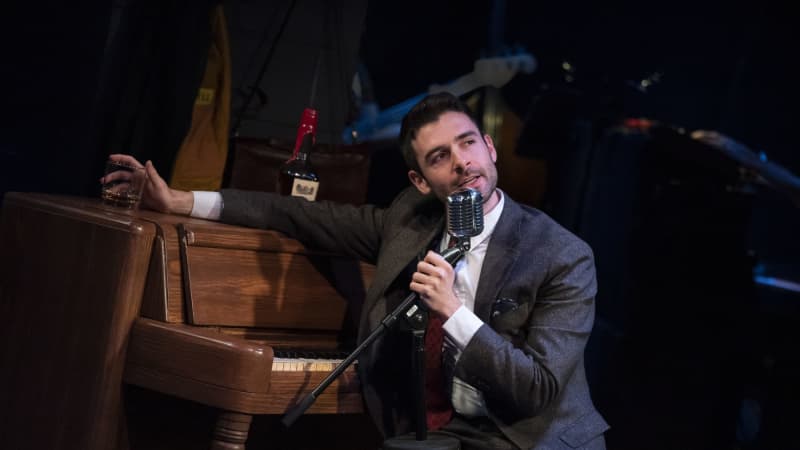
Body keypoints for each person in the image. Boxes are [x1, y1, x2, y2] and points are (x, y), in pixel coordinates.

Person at [106, 93, 609, 449]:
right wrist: (179, 200)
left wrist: (454, 311)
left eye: (468, 143)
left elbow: (536, 388)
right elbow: (300, 215)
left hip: (531, 438)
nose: (461, 163)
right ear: (419, 180)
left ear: (490, 148)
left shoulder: (562, 255)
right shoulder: (409, 220)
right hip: (446, 433)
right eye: (439, 157)